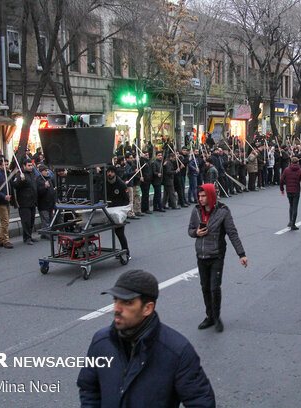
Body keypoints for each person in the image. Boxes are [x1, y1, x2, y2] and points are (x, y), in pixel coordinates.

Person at [77, 270, 216, 407]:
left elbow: (201, 402)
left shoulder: (177, 351)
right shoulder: (101, 342)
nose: (116, 308)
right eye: (115, 300)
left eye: (127, 302)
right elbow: (89, 388)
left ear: (147, 308)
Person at [187, 184, 247, 333]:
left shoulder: (223, 211)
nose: (200, 199)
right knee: (205, 287)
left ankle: (217, 317)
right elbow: (189, 230)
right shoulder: (195, 211)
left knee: (214, 288)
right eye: (199, 196)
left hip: (216, 255)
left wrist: (242, 254)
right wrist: (196, 233)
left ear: (211, 196)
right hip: (201, 255)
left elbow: (232, 233)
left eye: (203, 196)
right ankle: (209, 316)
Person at [105, 166, 131, 259]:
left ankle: (126, 251)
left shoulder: (121, 184)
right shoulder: (104, 183)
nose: (109, 174)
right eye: (108, 172)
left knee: (119, 232)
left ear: (115, 173)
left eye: (111, 172)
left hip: (118, 210)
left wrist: (120, 211)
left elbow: (126, 200)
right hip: (107, 210)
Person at [13, 159, 39, 245]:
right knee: (26, 221)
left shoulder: (32, 174)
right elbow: (15, 185)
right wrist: (21, 180)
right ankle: (26, 237)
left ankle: (30, 236)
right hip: (24, 202)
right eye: (29, 165)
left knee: (31, 220)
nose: (31, 167)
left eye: (31, 165)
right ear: (24, 166)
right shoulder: (19, 175)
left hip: (32, 201)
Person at [279, 156, 301, 230]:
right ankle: (293, 223)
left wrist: (282, 189)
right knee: (295, 207)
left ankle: (290, 221)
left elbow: (281, 180)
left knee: (291, 205)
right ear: (298, 162)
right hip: (296, 190)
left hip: (288, 189)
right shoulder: (300, 171)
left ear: (291, 162)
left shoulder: (286, 170)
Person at [0, 159, 13, 248]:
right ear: (0, 166)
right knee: (4, 221)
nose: (6, 166)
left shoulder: (7, 174)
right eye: (4, 165)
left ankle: (0, 240)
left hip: (6, 201)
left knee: (5, 221)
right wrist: (3, 196)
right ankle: (5, 240)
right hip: (0, 202)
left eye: (7, 164)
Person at [37, 164, 56, 237]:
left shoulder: (48, 179)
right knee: (45, 219)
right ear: (41, 172)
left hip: (50, 203)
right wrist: (44, 187)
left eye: (48, 170)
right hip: (43, 203)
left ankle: (48, 231)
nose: (47, 172)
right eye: (45, 171)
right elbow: (39, 192)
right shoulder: (39, 180)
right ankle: (46, 233)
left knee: (51, 218)